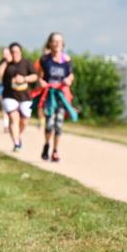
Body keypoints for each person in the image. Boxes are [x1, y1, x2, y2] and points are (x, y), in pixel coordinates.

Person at [35, 32, 78, 162]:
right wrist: (40, 82)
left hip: (62, 95)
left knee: (59, 124)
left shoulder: (67, 59)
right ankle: (46, 144)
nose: (57, 43)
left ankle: (55, 151)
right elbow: (38, 76)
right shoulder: (44, 60)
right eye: (55, 41)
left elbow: (71, 75)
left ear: (63, 43)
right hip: (49, 95)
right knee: (49, 124)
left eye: (60, 41)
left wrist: (69, 80)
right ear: (50, 43)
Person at [0, 42, 39, 152]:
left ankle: (17, 136)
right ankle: (16, 143)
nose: (15, 54)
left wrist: (24, 79)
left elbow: (35, 76)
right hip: (9, 95)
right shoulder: (5, 63)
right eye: (12, 52)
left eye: (17, 52)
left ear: (21, 52)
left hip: (25, 96)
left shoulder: (26, 62)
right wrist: (5, 62)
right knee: (13, 118)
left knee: (24, 121)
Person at [0, 47, 13, 132]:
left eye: (7, 53)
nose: (5, 54)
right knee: (4, 106)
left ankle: (12, 123)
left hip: (12, 88)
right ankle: (5, 125)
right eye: (4, 53)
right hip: (1, 87)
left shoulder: (13, 63)